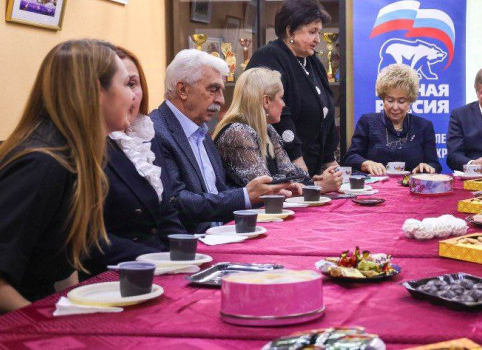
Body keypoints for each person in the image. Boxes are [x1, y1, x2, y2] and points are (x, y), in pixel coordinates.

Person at [0, 40, 133, 312]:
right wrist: (48, 327)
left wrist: (77, 313)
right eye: (127, 84)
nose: (133, 96)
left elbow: (61, 266)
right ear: (97, 90)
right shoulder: (43, 164)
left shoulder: (76, 157)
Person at [151, 50, 296, 233]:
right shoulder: (156, 131)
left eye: (221, 90)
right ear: (183, 90)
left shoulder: (200, 131)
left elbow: (219, 190)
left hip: (224, 233)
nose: (221, 100)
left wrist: (269, 192)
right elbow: (177, 201)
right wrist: (246, 195)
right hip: (190, 243)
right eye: (213, 90)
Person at [86, 47, 188, 275]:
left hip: (160, 263)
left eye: (133, 84)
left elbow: (166, 211)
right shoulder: (90, 145)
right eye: (124, 85)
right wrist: (159, 260)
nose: (130, 96)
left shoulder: (147, 135)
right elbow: (88, 239)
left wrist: (186, 255)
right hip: (117, 271)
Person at [246, 0, 339, 177]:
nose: (317, 39)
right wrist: (297, 160)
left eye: (319, 33)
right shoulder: (269, 56)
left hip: (312, 164)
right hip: (281, 168)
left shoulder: (312, 61)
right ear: (290, 32)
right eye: (312, 32)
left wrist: (330, 160)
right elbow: (279, 114)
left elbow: (326, 112)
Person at [214, 67, 341, 191]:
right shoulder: (237, 132)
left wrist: (314, 181)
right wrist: (317, 186)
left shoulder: (268, 129)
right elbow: (265, 189)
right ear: (266, 101)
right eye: (281, 98)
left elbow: (291, 173)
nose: (284, 104)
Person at [343, 64, 441, 175]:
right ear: (383, 98)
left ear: (410, 100)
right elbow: (350, 158)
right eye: (390, 100)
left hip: (412, 185)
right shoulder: (367, 122)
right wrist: (366, 163)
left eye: (401, 101)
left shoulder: (424, 126)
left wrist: (428, 167)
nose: (395, 107)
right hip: (376, 185)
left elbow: (435, 164)